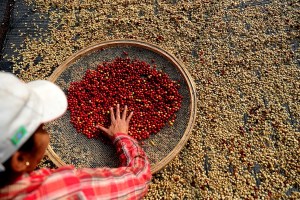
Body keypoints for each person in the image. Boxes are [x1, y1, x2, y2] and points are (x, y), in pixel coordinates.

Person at [0, 72, 152, 199]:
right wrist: (121, 136)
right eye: (41, 127)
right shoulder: (59, 191)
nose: (46, 130)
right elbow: (139, 178)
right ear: (20, 159)